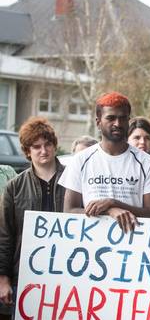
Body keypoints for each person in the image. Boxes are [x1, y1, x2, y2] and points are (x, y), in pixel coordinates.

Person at [61, 92, 150, 232]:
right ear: (98, 122)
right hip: (90, 243)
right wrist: (110, 211)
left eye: (122, 118)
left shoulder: (147, 163)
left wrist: (112, 202)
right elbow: (69, 210)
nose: (117, 123)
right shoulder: (80, 160)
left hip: (134, 243)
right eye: (111, 118)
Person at [0, 117, 65, 317]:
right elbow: (5, 235)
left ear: (54, 145)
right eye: (36, 147)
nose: (43, 151)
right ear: (27, 151)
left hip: (67, 274)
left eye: (47, 145)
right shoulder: (14, 187)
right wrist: (3, 279)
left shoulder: (75, 180)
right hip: (25, 275)